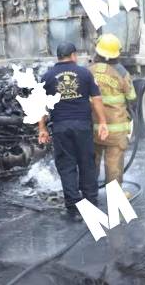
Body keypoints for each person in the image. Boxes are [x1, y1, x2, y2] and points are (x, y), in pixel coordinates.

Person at [38, 42, 109, 221]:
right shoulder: (85, 73)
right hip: (83, 126)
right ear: (73, 55)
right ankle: (91, 204)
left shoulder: (47, 76)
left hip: (60, 127)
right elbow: (97, 99)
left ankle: (74, 209)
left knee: (67, 166)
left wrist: (42, 129)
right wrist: (102, 122)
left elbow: (39, 106)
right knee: (87, 163)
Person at [88, 34, 137, 196]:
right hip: (115, 130)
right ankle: (115, 197)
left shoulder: (88, 71)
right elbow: (131, 98)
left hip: (93, 127)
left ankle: (89, 193)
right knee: (113, 163)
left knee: (92, 162)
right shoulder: (121, 72)